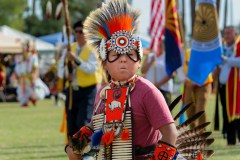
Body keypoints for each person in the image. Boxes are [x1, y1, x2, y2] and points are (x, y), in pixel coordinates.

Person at [65, 0, 178, 159]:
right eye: (115, 55)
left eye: (130, 55)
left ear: (139, 62)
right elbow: (95, 125)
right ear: (104, 64)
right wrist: (77, 142)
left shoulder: (148, 92)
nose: (123, 60)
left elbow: (170, 133)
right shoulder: (103, 92)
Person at [57, 20, 103, 139]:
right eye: (76, 31)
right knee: (71, 124)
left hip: (87, 91)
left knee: (83, 122)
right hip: (72, 90)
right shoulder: (69, 48)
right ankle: (74, 152)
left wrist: (76, 60)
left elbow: (91, 69)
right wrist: (66, 75)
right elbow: (60, 68)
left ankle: (85, 152)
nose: (78, 34)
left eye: (81, 31)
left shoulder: (93, 49)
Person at [216, 26, 240, 145]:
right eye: (225, 33)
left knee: (236, 112)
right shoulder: (223, 48)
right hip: (223, 86)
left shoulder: (238, 47)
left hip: (236, 86)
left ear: (235, 34)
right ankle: (231, 140)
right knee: (226, 112)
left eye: (230, 33)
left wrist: (226, 59)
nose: (227, 36)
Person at [183, 48, 212, 129]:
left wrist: (193, 64)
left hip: (203, 84)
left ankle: (202, 134)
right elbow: (184, 68)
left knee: (200, 110)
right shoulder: (188, 52)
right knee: (190, 113)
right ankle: (194, 135)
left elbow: (206, 67)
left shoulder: (205, 52)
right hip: (190, 84)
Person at [141, 39, 174, 106]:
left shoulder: (168, 57)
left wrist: (158, 84)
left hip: (164, 90)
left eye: (161, 45)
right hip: (150, 89)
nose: (159, 46)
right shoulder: (150, 56)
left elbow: (172, 74)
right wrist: (151, 61)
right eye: (158, 45)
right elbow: (143, 70)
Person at [15, 40, 39, 107]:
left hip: (29, 77)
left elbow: (35, 67)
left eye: (25, 47)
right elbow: (17, 67)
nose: (24, 48)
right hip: (22, 77)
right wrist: (17, 75)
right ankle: (24, 103)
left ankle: (33, 99)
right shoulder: (19, 57)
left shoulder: (33, 56)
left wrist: (34, 76)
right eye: (23, 47)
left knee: (31, 91)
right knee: (21, 91)